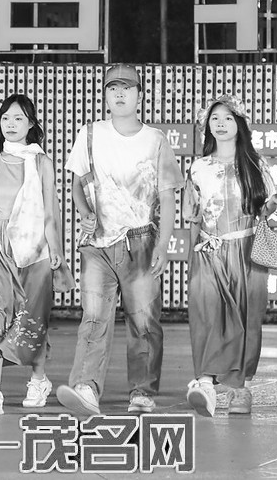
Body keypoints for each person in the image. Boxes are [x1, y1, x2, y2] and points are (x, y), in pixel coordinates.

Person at [56, 64, 185, 416]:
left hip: (140, 240)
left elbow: (168, 197)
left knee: (143, 319)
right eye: (113, 87)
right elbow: (77, 184)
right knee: (93, 317)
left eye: (127, 88)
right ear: (105, 95)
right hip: (97, 244)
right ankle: (86, 387)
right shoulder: (90, 134)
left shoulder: (155, 140)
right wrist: (85, 211)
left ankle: (142, 392)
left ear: (139, 95)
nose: (119, 93)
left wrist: (163, 245)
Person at [183, 95, 277, 417]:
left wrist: (271, 206)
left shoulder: (256, 165)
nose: (221, 123)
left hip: (248, 252)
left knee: (247, 318)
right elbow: (193, 216)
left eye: (228, 118)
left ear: (240, 124)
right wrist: (192, 256)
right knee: (207, 315)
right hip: (208, 251)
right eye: (215, 118)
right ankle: (205, 382)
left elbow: (267, 208)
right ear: (207, 126)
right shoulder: (199, 168)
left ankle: (240, 389)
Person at [0, 94, 72, 415]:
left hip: (34, 247)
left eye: (18, 118)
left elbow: (51, 209)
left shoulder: (41, 163)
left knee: (32, 314)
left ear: (31, 124)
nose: (11, 124)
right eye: (5, 118)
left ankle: (38, 380)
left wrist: (55, 249)